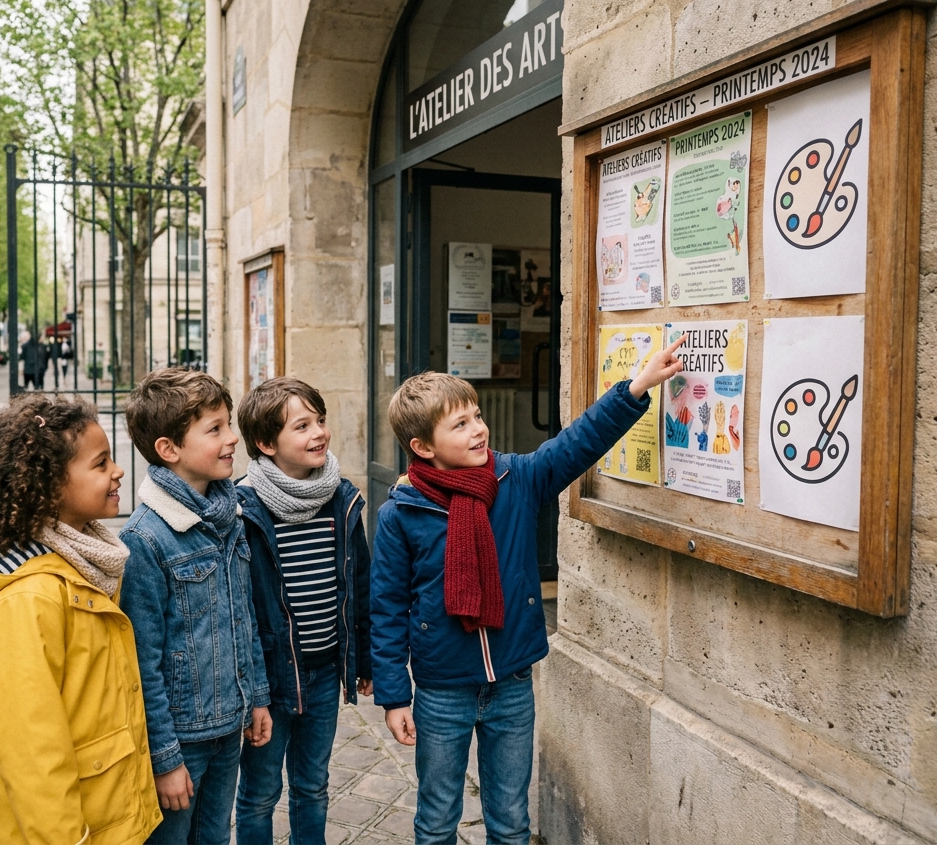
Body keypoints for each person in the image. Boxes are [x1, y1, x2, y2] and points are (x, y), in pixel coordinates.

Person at [370, 336, 687, 843]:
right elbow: (386, 609)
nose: (478, 429)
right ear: (423, 448)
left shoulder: (515, 479)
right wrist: (393, 697)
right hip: (441, 689)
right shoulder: (401, 513)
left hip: (511, 682)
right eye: (460, 424)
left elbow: (577, 442)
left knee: (512, 821)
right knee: (436, 820)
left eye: (476, 415)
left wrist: (636, 387)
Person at [0, 394, 161, 844]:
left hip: (109, 812)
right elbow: (31, 753)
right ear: (48, 487)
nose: (118, 471)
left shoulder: (82, 563)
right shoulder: (26, 600)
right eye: (101, 464)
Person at [118, 367, 271, 845]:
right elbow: (142, 661)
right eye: (215, 429)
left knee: (214, 837)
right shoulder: (146, 539)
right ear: (170, 449)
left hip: (229, 723)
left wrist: (257, 696)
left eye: (229, 424)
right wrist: (165, 759)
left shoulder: (230, 515)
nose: (232, 438)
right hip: (183, 737)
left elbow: (244, 616)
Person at [233, 377, 372, 845]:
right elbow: (238, 606)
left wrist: (364, 660)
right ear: (266, 443)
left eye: (321, 420)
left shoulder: (341, 499)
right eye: (302, 426)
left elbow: (360, 584)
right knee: (259, 792)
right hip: (269, 680)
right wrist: (250, 686)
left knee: (313, 785)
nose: (319, 433)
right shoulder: (243, 507)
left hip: (323, 671)